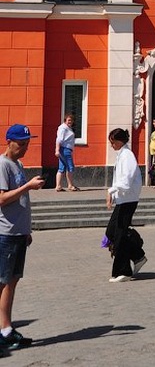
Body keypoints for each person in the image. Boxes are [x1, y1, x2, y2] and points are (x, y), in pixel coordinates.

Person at [0, 124, 45, 351]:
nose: (25, 148)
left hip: (18, 233)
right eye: (21, 144)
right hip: (5, 233)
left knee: (12, 281)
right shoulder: (3, 165)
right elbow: (1, 199)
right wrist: (28, 186)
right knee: (2, 281)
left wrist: (26, 229)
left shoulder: (17, 164)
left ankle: (6, 328)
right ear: (9, 141)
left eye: (27, 143)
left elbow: (21, 203)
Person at [105, 128, 147, 283]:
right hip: (123, 199)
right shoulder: (122, 155)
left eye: (112, 142)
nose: (111, 145)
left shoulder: (127, 156)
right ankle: (137, 255)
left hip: (128, 199)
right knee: (112, 232)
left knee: (120, 235)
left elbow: (126, 180)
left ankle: (124, 271)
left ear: (119, 141)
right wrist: (113, 193)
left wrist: (111, 191)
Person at [55, 113, 79, 192]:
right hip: (65, 150)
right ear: (65, 120)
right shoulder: (63, 128)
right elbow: (59, 139)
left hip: (65, 149)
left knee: (61, 168)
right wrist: (57, 150)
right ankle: (70, 185)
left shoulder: (67, 128)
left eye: (71, 120)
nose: (70, 121)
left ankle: (58, 186)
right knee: (70, 167)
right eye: (69, 120)